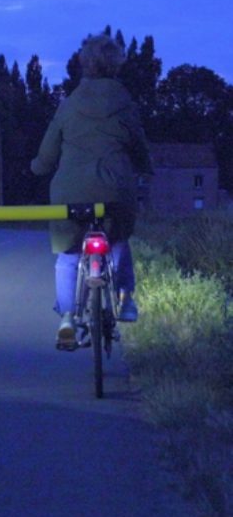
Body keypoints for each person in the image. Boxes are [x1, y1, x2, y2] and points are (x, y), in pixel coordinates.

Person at [30, 32, 152, 347]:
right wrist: (145, 168)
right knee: (119, 240)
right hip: (115, 192)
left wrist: (38, 167)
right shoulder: (125, 104)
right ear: (116, 66)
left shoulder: (68, 106)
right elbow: (139, 148)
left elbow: (47, 154)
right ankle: (125, 301)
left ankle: (67, 319)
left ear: (84, 65)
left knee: (69, 255)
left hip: (70, 194)